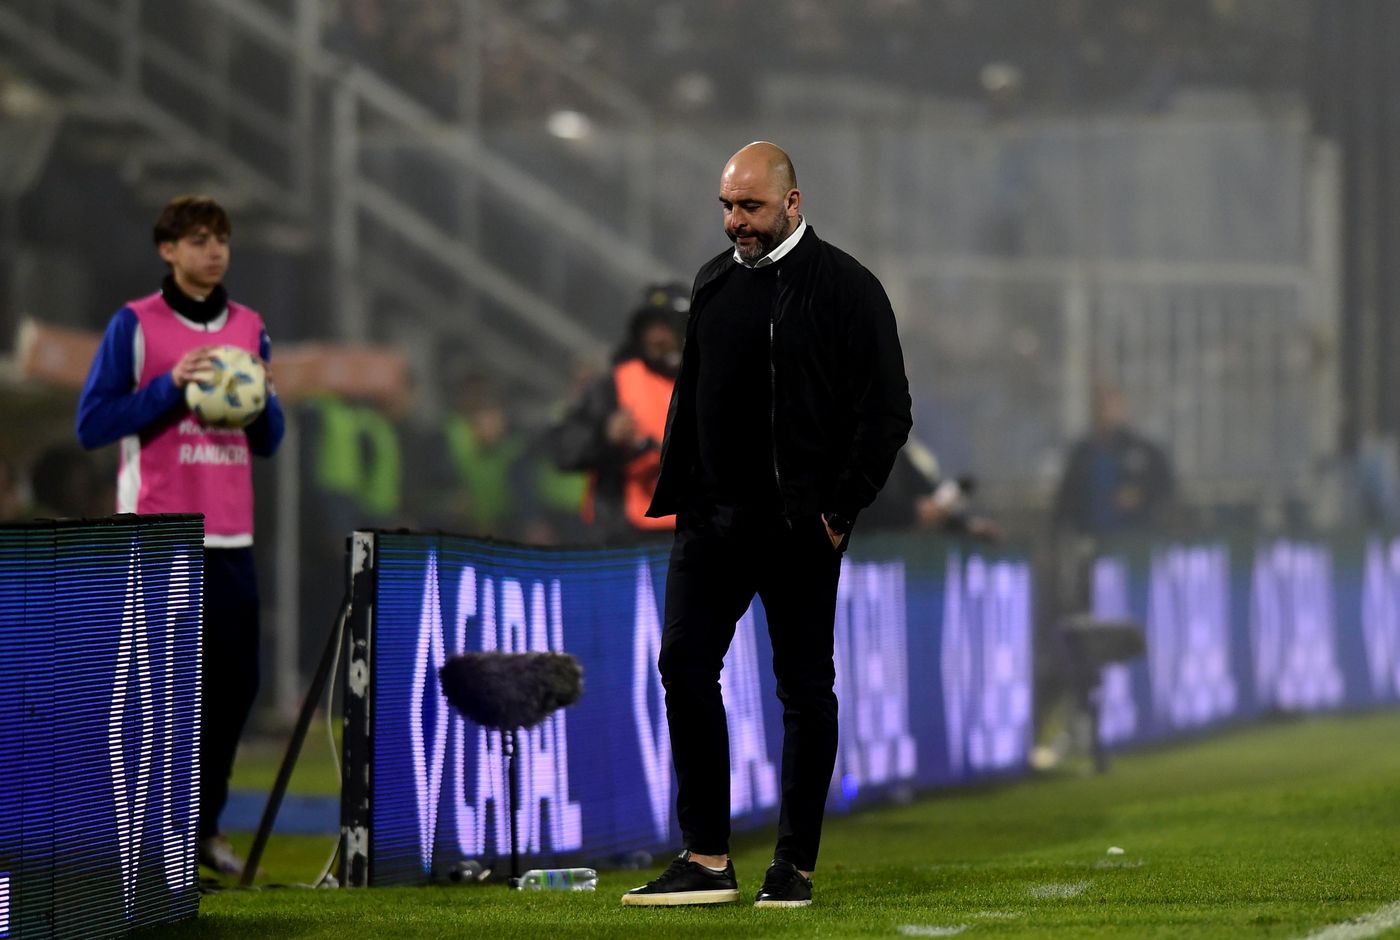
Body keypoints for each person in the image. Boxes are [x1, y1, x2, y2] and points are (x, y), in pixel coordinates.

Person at [622, 142, 912, 908]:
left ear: (792, 202)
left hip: (798, 530)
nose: (734, 222)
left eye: (748, 206)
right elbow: (696, 400)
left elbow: (887, 413)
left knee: (803, 690)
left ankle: (795, 867)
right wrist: (683, 494)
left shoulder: (848, 289)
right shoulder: (713, 284)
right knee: (684, 667)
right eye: (726, 206)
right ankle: (708, 859)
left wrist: (838, 509)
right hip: (712, 524)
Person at [75, 195, 285, 878]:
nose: (213, 251)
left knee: (234, 690)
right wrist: (170, 386)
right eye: (197, 240)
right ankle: (142, 836)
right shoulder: (135, 324)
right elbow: (93, 424)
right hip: (158, 535)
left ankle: (202, 831)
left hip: (230, 539)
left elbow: (269, 442)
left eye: (221, 238)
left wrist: (259, 398)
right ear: (167, 250)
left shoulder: (250, 327)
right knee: (156, 694)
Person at [551, 302, 683, 543]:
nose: (657, 336)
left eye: (667, 325)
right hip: (625, 536)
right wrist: (605, 435)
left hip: (694, 536)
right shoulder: (616, 383)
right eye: (650, 327)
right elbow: (565, 449)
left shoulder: (709, 381)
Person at [1052, 385, 1173, 537]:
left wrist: (1141, 495)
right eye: (1102, 408)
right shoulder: (1082, 453)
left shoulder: (1143, 451)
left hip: (1133, 536)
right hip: (1089, 536)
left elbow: (1165, 486)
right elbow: (1065, 499)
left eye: (1112, 408)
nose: (1106, 414)